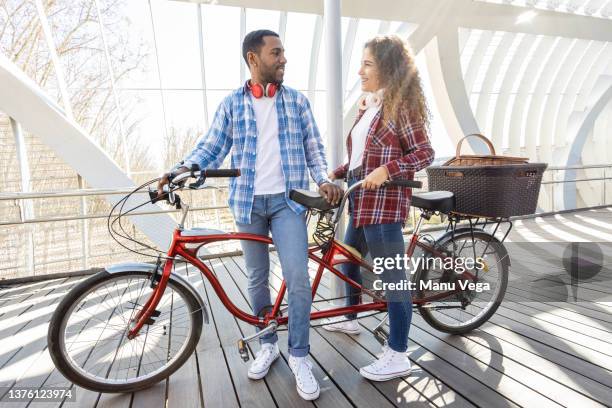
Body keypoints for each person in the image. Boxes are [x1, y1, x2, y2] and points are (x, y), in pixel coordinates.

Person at [157, 29, 342, 400]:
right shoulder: (232, 105)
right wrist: (178, 171)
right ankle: (267, 343)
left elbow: (314, 149)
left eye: (284, 52)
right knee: (257, 279)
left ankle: (300, 355)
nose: (284, 59)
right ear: (253, 59)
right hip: (247, 203)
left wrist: (322, 179)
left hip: (288, 203)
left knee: (297, 279)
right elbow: (209, 148)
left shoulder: (298, 102)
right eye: (276, 53)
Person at [322, 35, 435, 381]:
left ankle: (398, 353)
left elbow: (424, 153)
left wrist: (388, 170)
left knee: (393, 279)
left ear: (387, 67)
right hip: (360, 200)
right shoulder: (371, 105)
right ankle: (351, 317)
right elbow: (362, 158)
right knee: (348, 260)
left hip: (385, 206)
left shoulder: (402, 106)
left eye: (367, 64)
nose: (360, 71)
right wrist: (339, 173)